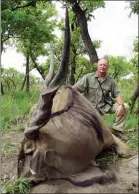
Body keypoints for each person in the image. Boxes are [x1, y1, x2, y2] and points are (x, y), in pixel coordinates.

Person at [72, 58, 129, 140]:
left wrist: (120, 105)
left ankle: (117, 130)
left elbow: (117, 94)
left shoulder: (110, 81)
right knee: (88, 131)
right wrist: (66, 91)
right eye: (101, 65)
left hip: (104, 107)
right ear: (97, 66)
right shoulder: (88, 77)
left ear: (107, 67)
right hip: (89, 109)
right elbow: (75, 88)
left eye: (105, 65)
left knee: (125, 107)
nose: (103, 67)